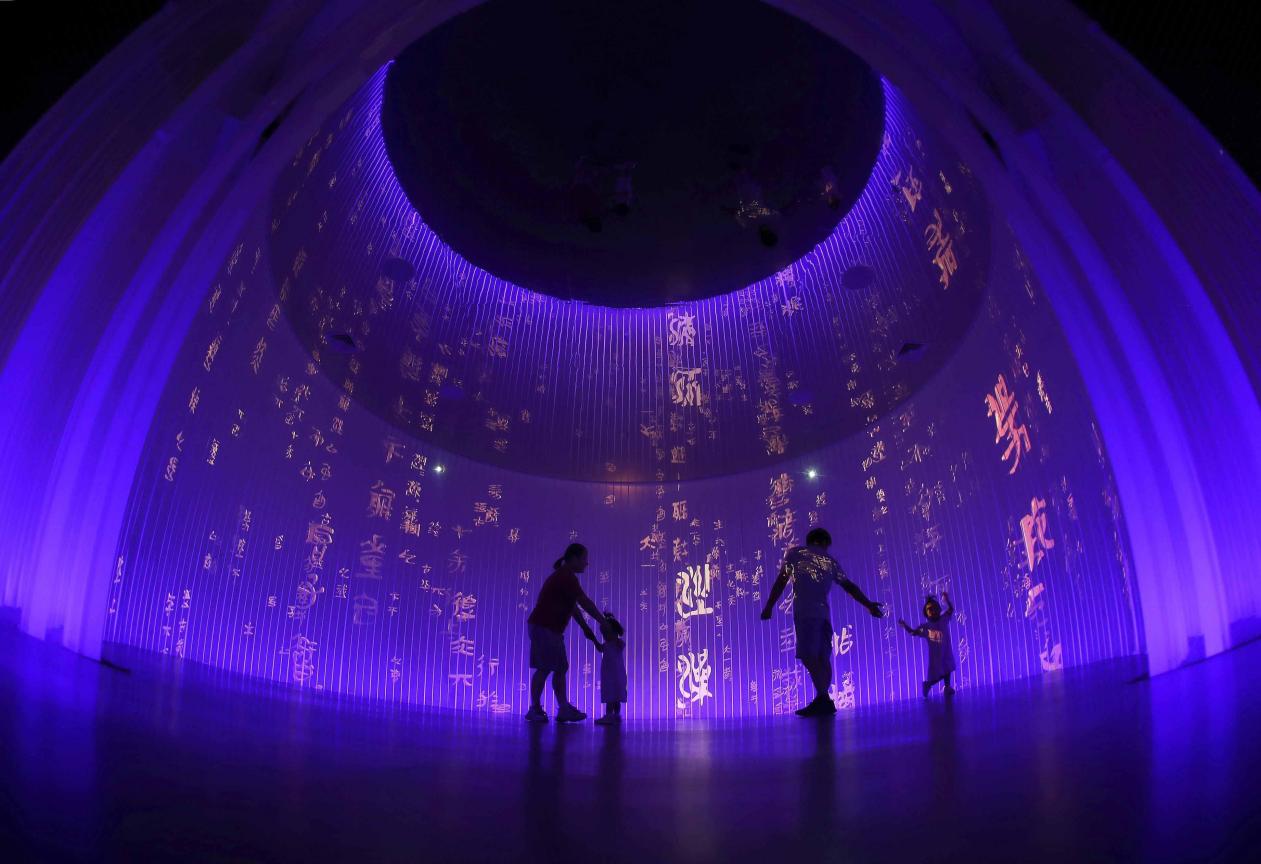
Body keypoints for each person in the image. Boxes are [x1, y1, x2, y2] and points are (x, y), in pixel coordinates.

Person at [760, 527, 885, 717]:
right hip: (823, 615)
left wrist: (769, 605)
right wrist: (868, 604)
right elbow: (849, 586)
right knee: (821, 657)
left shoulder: (795, 554)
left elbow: (781, 580)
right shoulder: (830, 561)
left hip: (805, 613)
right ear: (825, 542)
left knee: (808, 656)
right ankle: (822, 700)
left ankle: (823, 699)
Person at [525, 543, 605, 722]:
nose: (586, 563)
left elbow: (573, 608)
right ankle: (535, 709)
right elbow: (584, 602)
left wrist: (586, 629)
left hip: (548, 628)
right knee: (545, 667)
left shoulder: (564, 576)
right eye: (584, 559)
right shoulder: (566, 577)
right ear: (574, 558)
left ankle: (562, 708)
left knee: (560, 667)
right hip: (544, 626)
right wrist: (603, 622)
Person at [899, 592, 956, 697]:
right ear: (926, 613)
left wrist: (947, 600)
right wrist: (905, 626)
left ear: (939, 608)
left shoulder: (944, 619)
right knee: (938, 674)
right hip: (936, 656)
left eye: (935, 607)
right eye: (930, 609)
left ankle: (947, 687)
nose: (933, 610)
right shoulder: (926, 627)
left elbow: (951, 609)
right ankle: (928, 684)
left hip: (946, 650)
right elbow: (913, 632)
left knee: (948, 668)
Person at [594, 611, 627, 726]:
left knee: (613, 694)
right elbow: (600, 648)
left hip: (615, 674)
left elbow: (603, 647)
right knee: (613, 694)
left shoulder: (618, 643)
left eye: (606, 633)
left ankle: (611, 716)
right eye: (603, 633)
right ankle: (614, 716)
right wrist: (594, 639)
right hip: (610, 673)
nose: (604, 636)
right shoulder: (609, 644)